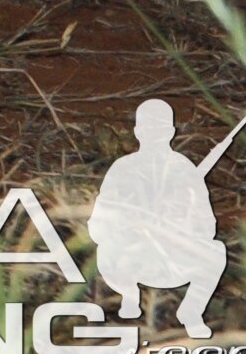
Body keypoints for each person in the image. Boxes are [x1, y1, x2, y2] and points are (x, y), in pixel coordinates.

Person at [90, 96, 229, 338]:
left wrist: (179, 224)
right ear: (137, 132)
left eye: (159, 129)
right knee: (105, 249)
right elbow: (100, 222)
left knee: (216, 251)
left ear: (171, 132)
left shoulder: (185, 169)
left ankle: (191, 311)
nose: (154, 135)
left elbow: (207, 226)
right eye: (149, 128)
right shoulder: (123, 168)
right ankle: (129, 295)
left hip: (173, 259)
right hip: (132, 259)